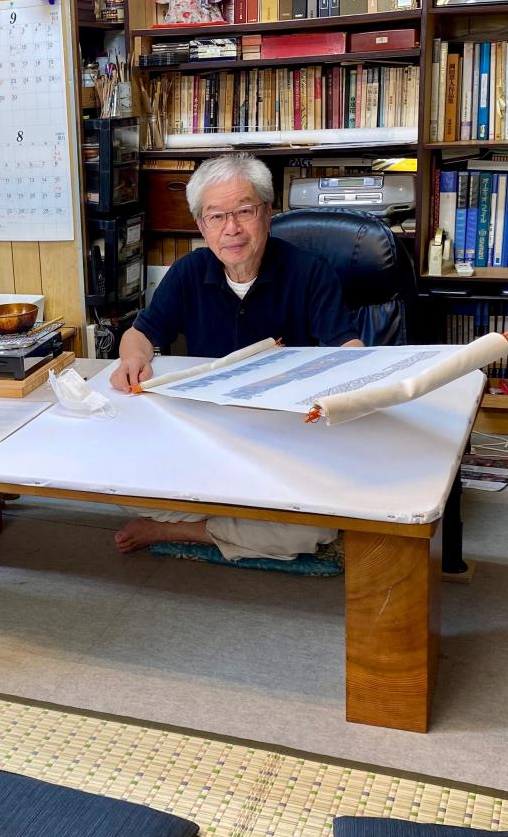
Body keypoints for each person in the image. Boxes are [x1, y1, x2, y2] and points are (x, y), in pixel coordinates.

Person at [109, 153, 364, 563]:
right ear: (201, 226)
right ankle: (235, 521)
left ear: (267, 213)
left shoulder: (309, 272)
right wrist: (132, 360)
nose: (232, 229)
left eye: (244, 211)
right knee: (114, 482)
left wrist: (354, 377)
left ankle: (187, 529)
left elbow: (349, 352)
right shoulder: (189, 272)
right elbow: (139, 334)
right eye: (216, 216)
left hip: (287, 442)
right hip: (209, 438)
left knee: (313, 527)